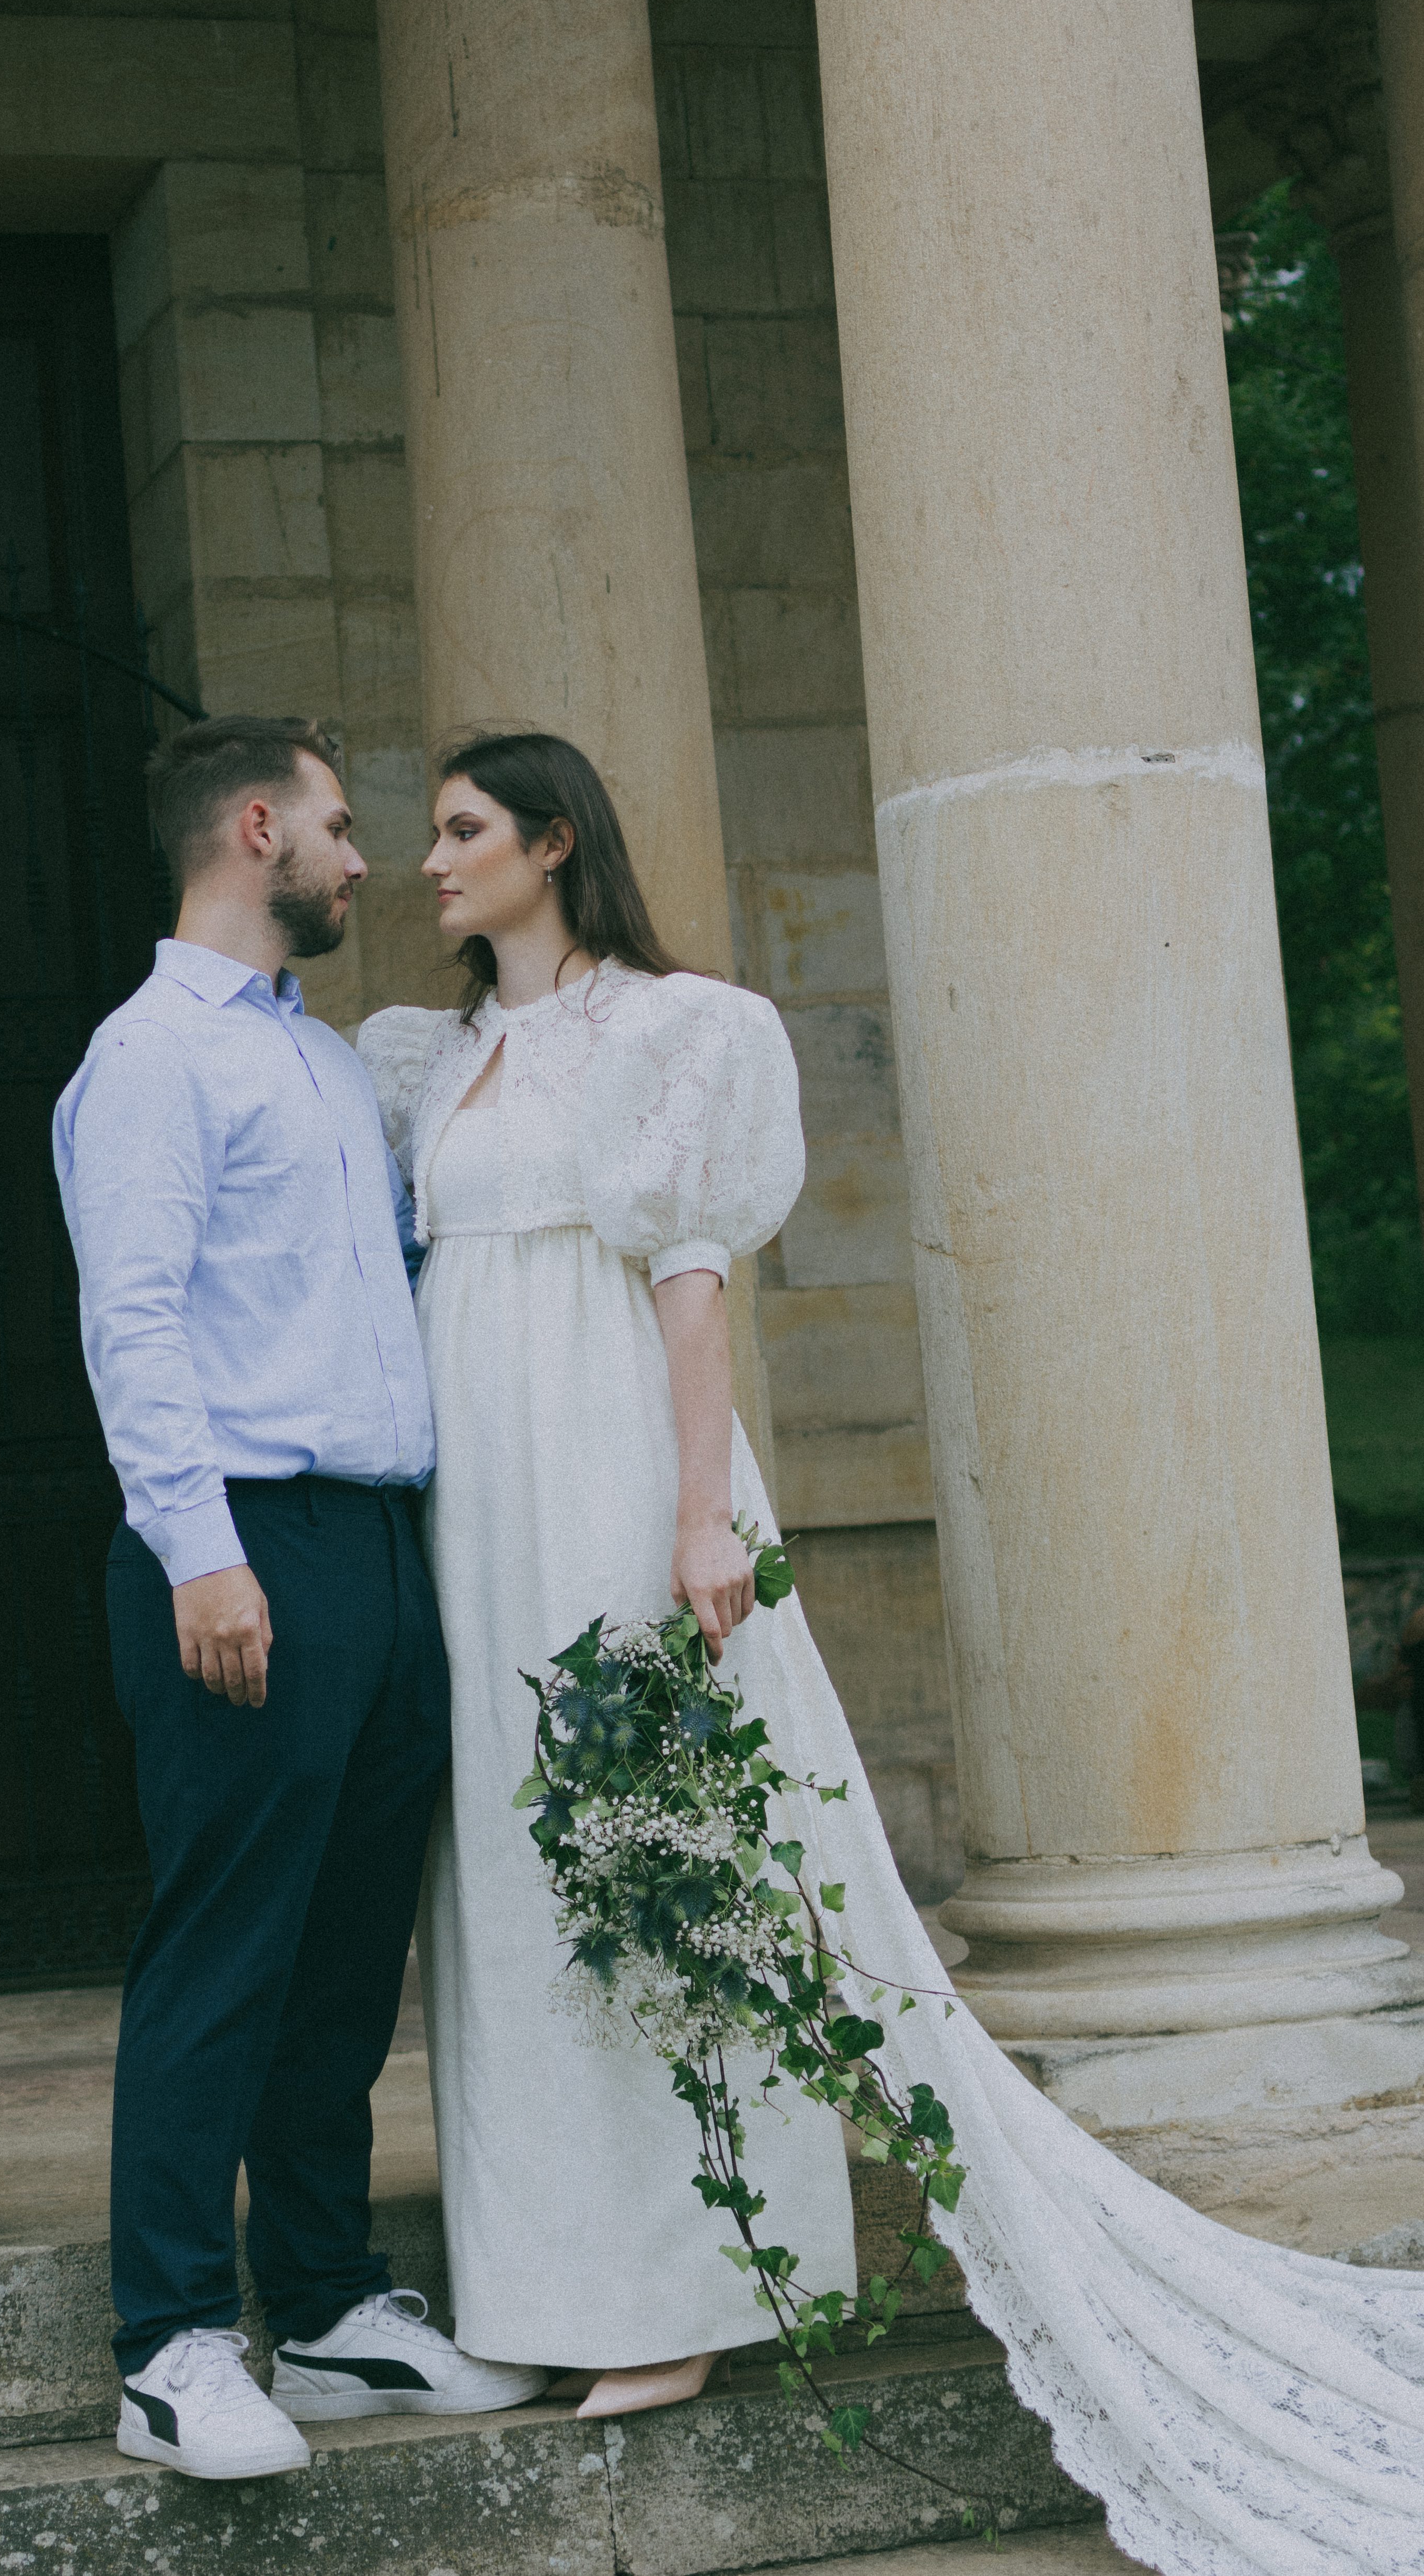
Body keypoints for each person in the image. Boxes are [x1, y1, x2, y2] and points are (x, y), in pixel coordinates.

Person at [359, 731, 1424, 2562]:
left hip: (610, 1462)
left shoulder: (673, 1030)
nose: (425, 861)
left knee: (663, 1865)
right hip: (476, 1502)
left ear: (552, 841)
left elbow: (685, 1285)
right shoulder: (428, 1055)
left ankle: (677, 2293)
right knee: (518, 1875)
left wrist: (699, 1514)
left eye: (460, 831)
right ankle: (545, 2285)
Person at [53, 715, 546, 2483]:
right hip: (236, 1544)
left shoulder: (329, 1066)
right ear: (253, 830)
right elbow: (137, 1318)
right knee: (224, 1948)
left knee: (346, 1951)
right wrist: (200, 1549)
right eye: (340, 829)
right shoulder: (148, 1060)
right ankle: (171, 2343)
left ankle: (328, 2308)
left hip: (374, 1548)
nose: (366, 861)